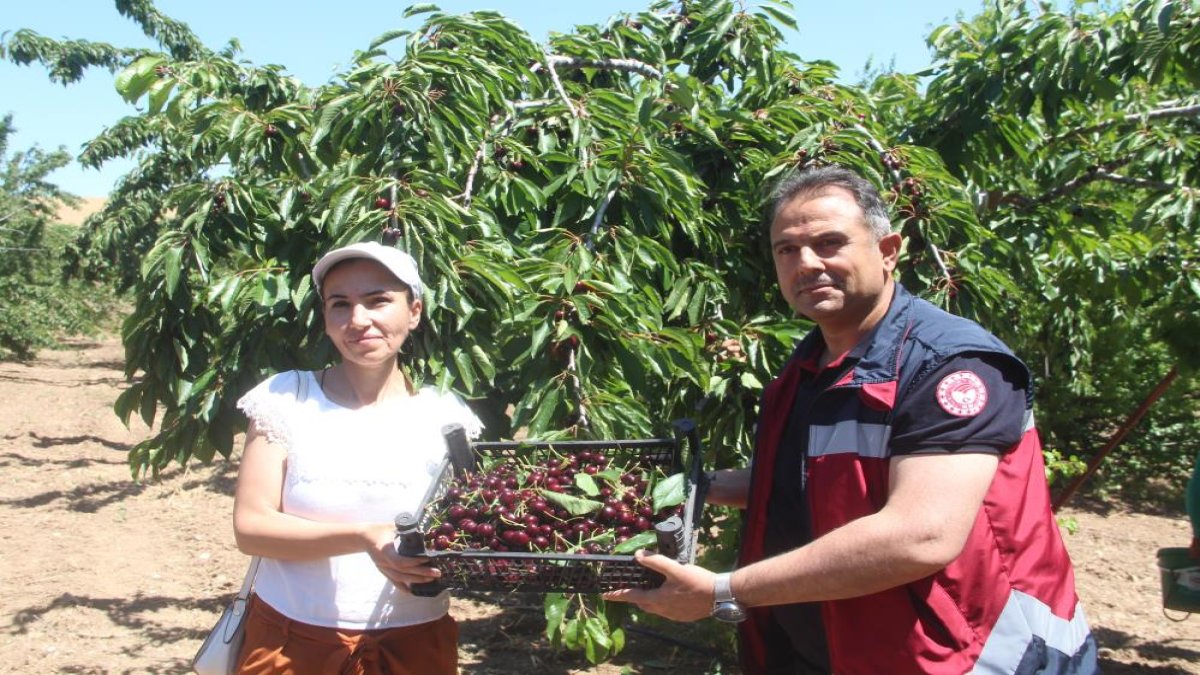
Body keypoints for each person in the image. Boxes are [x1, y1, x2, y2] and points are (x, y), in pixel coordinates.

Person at [605, 166, 1099, 674]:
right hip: (833, 652)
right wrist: (695, 487)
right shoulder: (806, 370)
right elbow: (807, 485)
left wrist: (722, 591)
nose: (807, 264)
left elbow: (920, 534)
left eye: (830, 242)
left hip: (966, 658)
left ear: (888, 251)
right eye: (787, 250)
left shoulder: (951, 365)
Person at [231, 241, 482, 674]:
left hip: (414, 644)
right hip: (291, 645)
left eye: (378, 300)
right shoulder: (287, 397)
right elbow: (251, 527)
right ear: (326, 318)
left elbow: (468, 530)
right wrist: (365, 537)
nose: (358, 320)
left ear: (415, 311)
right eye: (340, 304)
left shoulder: (448, 415)